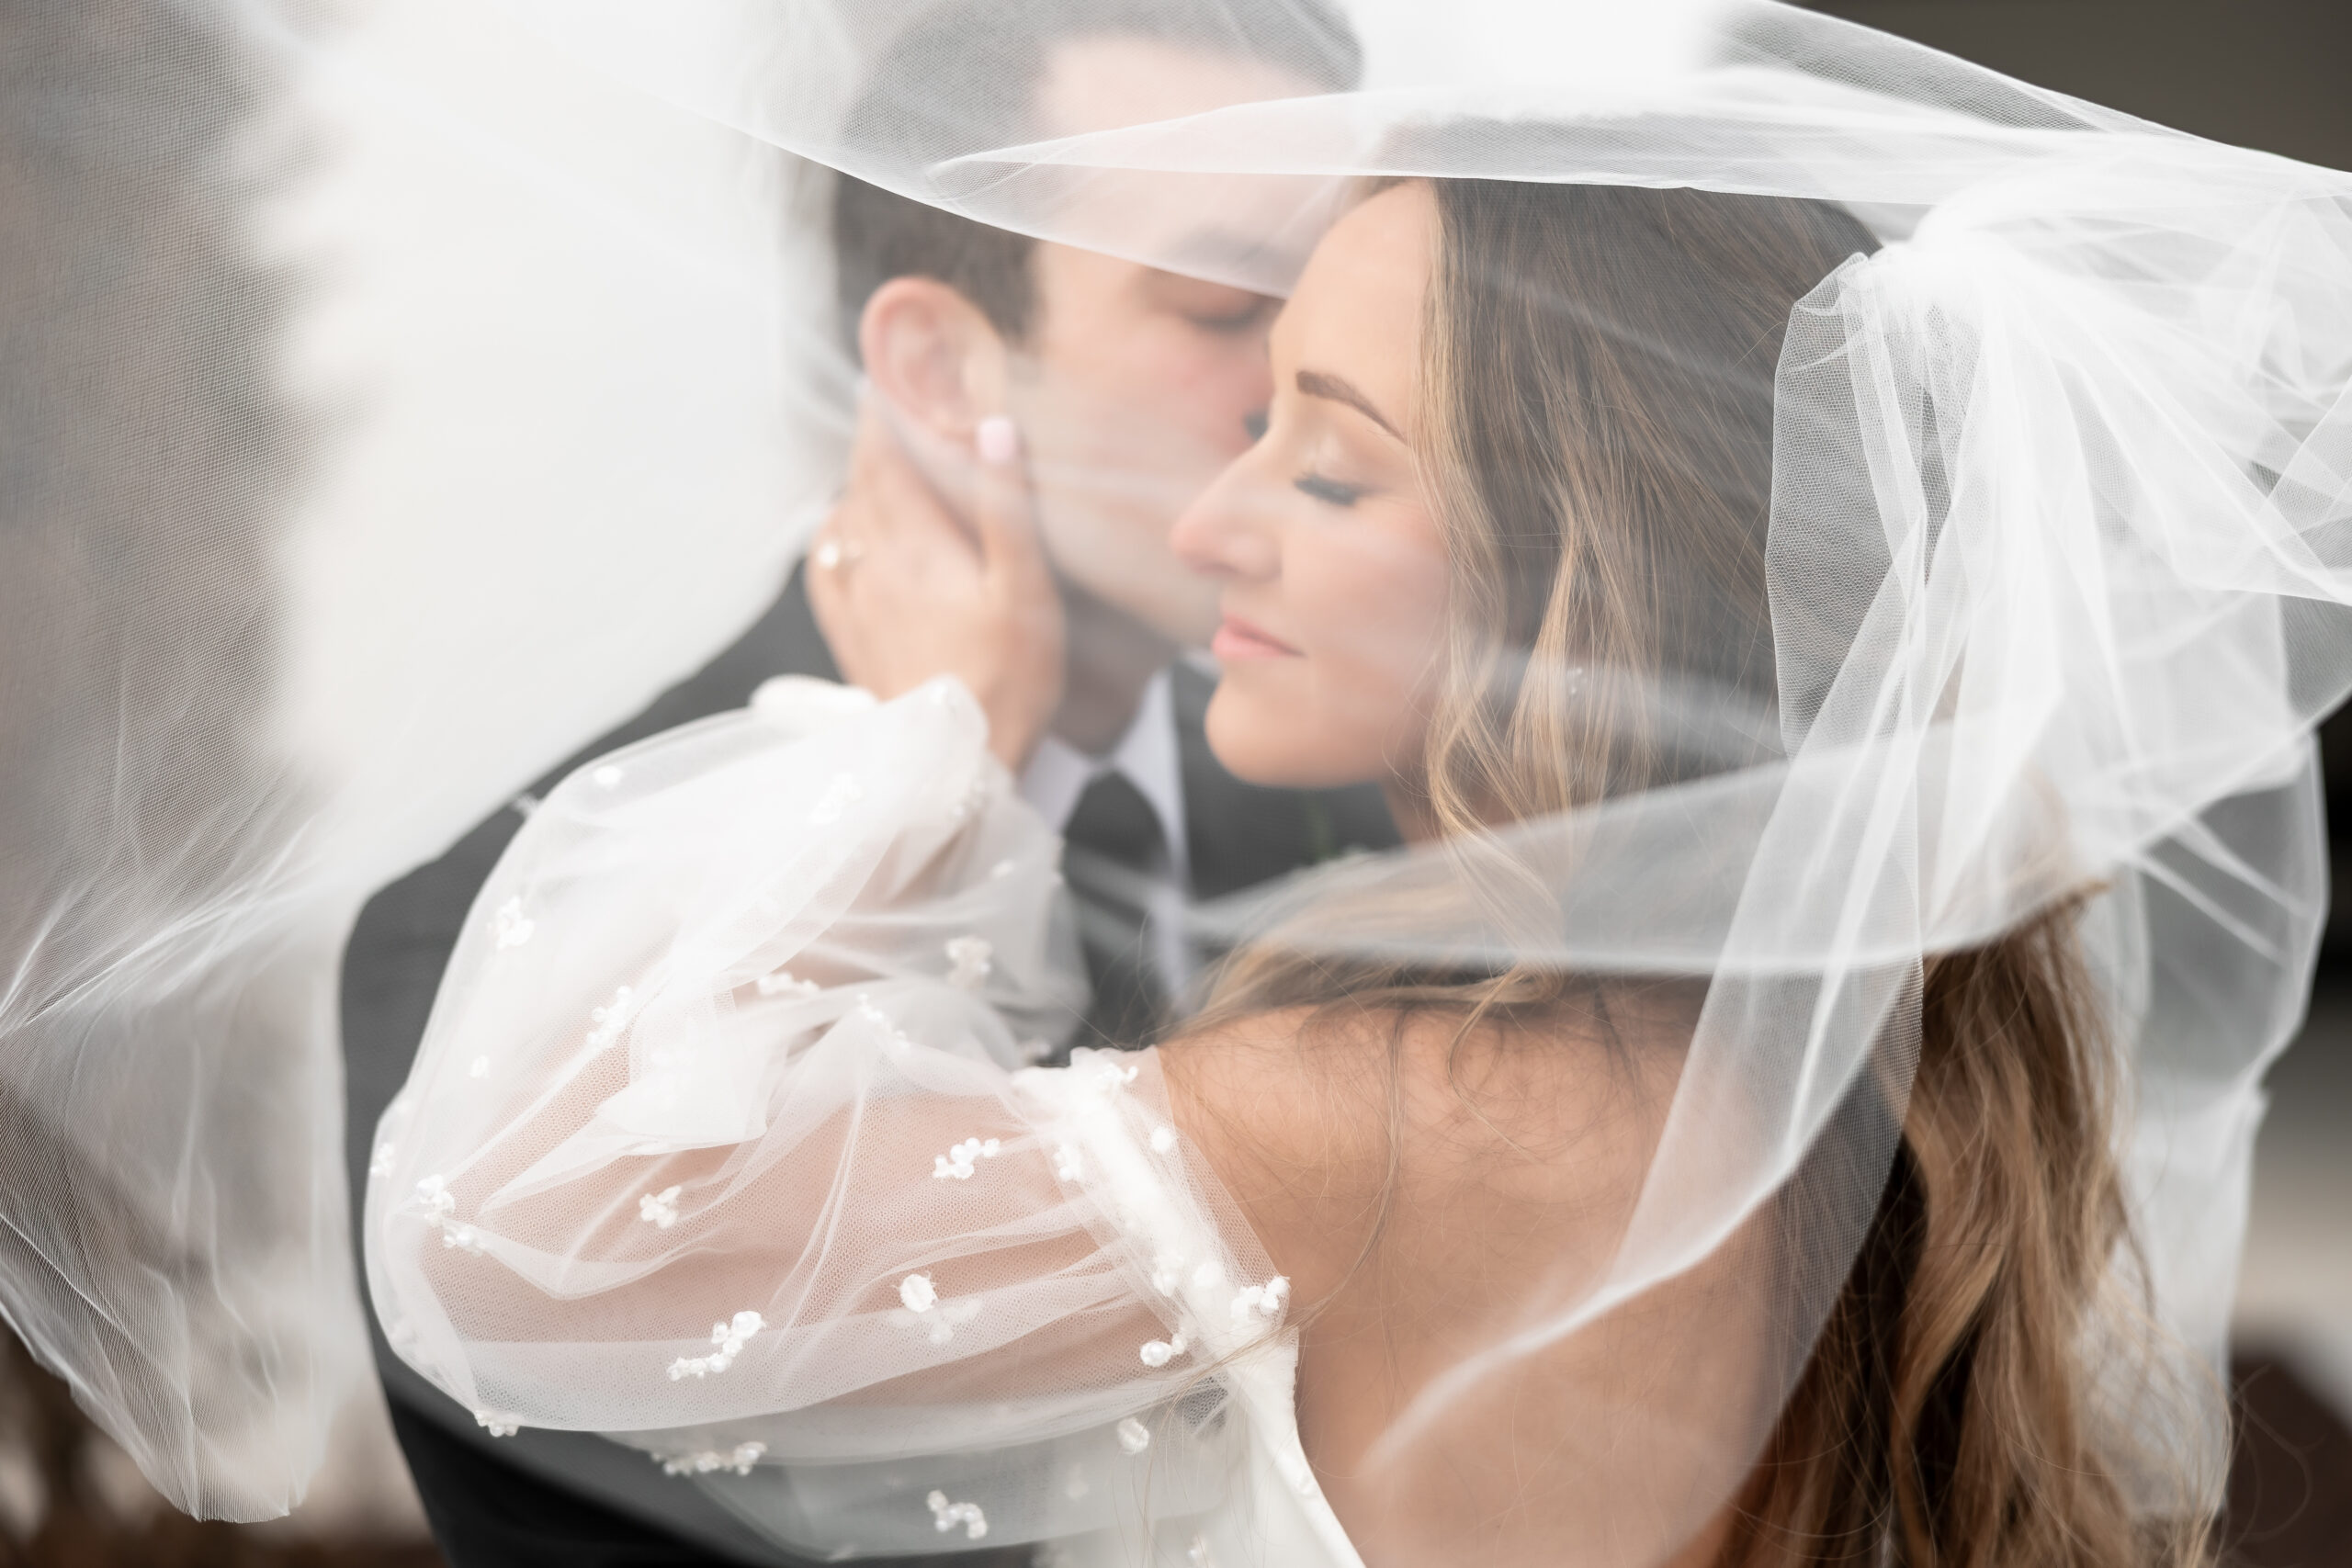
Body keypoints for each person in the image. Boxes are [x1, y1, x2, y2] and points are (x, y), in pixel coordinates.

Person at [367, 163, 2225, 1568]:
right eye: (1245, 416)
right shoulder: (1762, 1088)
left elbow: (527, 1239)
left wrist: (918, 739)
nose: (1209, 521)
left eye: (1326, 471)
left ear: (1573, 577)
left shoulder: (1405, 1120)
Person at [337, 4, 1385, 1562]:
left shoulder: (1411, 813)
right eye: (1228, 307)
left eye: (1340, 315)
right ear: (941, 365)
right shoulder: (488, 953)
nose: (1314, 404)